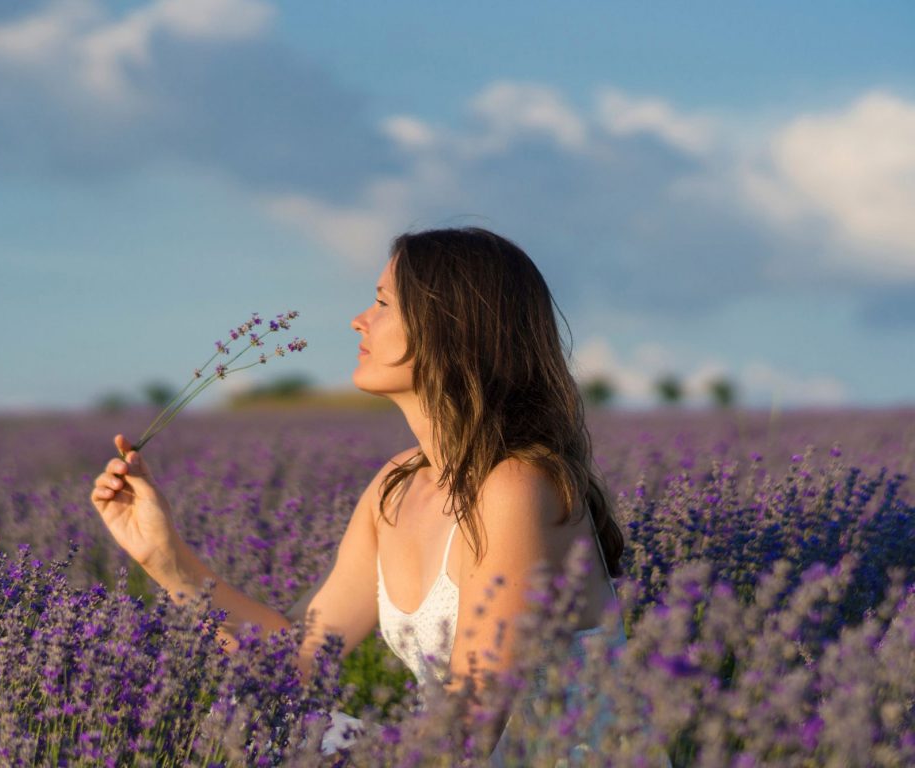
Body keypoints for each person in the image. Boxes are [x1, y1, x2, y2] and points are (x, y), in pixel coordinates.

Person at [90, 227, 628, 763]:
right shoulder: (396, 487)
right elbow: (294, 663)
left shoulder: (514, 488)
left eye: (382, 302)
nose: (359, 319)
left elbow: (472, 723)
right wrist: (162, 557)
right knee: (250, 717)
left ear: (450, 327)